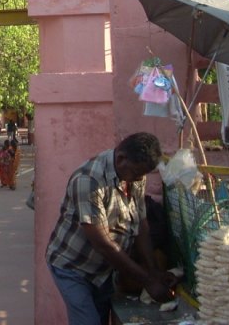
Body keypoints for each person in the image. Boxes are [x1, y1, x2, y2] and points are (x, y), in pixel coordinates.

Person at [46, 132, 175, 325]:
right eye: (135, 173)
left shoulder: (135, 175)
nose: (137, 179)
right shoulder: (89, 180)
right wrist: (147, 280)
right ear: (121, 158)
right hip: (72, 265)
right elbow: (102, 243)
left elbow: (141, 224)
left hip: (104, 269)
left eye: (141, 175)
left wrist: (153, 270)